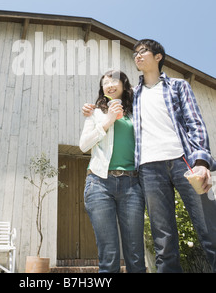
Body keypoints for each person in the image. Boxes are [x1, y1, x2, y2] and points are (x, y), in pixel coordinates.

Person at [83, 39, 216, 273]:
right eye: (135, 53)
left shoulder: (177, 86)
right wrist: (93, 109)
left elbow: (195, 124)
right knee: (163, 241)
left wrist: (202, 162)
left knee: (209, 230)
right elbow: (108, 109)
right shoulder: (134, 96)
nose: (137, 55)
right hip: (148, 170)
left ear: (158, 57)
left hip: (183, 162)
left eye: (143, 51)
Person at [79, 70, 146, 273]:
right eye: (105, 82)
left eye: (114, 80)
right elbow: (83, 145)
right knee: (109, 255)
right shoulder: (95, 113)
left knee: (135, 253)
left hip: (132, 185)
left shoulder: (137, 112)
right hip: (99, 183)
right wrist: (108, 119)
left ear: (124, 85)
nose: (109, 85)